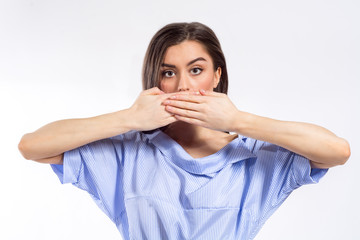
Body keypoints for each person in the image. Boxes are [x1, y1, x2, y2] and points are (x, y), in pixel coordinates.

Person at [18, 22, 351, 240]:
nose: (183, 86)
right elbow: (33, 146)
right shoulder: (128, 153)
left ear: (217, 75)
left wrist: (238, 120)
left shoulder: (252, 156)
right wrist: (129, 118)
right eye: (168, 73)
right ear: (155, 79)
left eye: (196, 70)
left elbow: (337, 151)